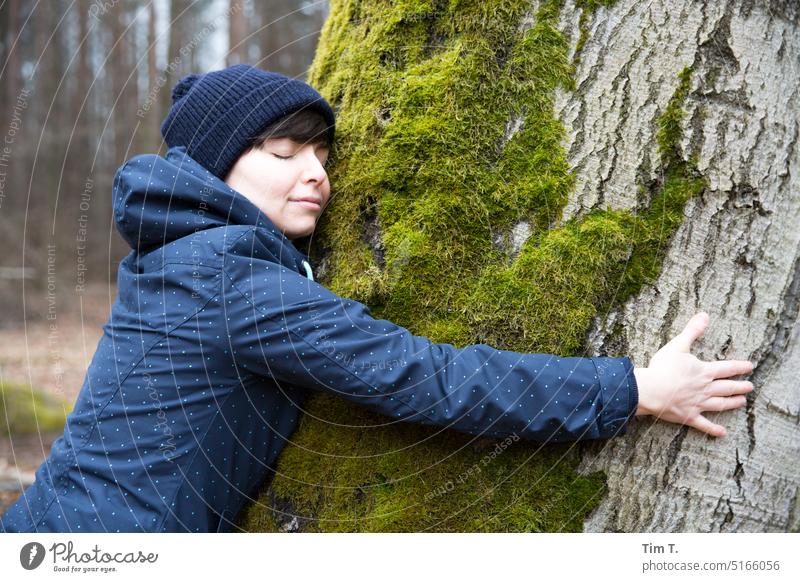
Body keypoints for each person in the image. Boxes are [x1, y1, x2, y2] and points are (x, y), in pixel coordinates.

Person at [0, 64, 755, 533]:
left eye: (324, 154)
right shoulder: (227, 275)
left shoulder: (185, 256)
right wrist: (635, 389)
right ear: (218, 167)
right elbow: (422, 376)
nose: (319, 174)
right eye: (286, 152)